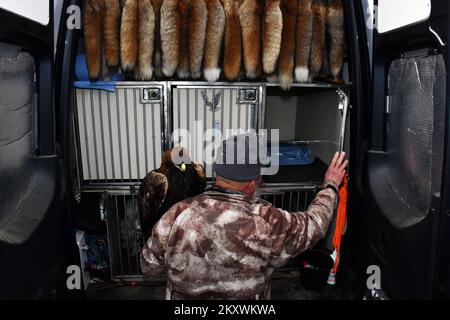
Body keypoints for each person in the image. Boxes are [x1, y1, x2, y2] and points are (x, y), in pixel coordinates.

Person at [140, 133, 348, 300]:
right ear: (252, 182)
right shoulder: (268, 221)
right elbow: (315, 223)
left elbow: (148, 267)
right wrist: (330, 184)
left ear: (219, 173)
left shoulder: (177, 213)